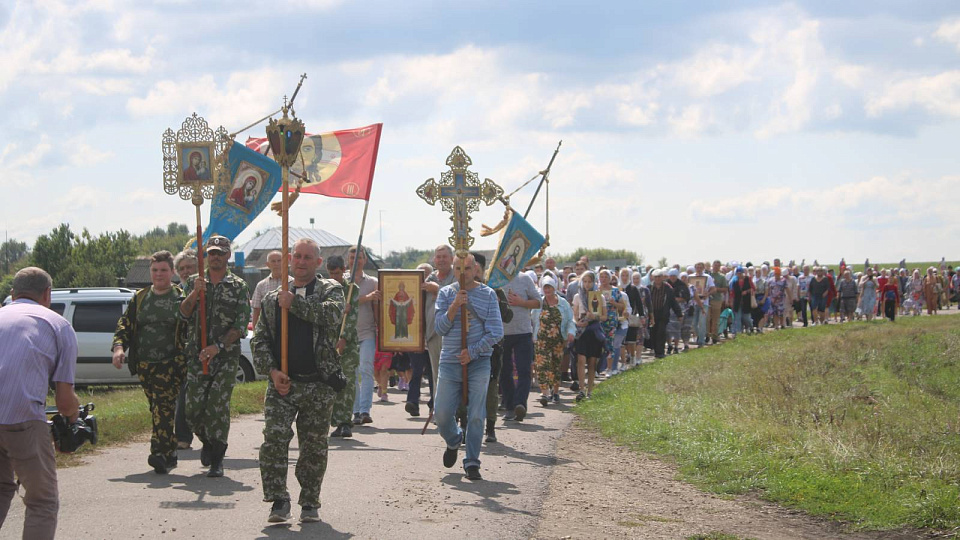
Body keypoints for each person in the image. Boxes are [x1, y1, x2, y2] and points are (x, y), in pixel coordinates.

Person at [252, 238, 345, 523]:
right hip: (284, 384)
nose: (302, 261)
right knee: (274, 441)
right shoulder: (272, 298)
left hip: (318, 384)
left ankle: (309, 502)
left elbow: (331, 315)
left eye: (308, 257)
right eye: (298, 256)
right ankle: (278, 500)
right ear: (291, 260)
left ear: (318, 262)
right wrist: (272, 372)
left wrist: (296, 304)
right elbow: (260, 341)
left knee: (313, 447)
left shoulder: (331, 289)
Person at [0, 267, 79, 540]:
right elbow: (65, 399)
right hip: (22, 418)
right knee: (41, 501)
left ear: (12, 294)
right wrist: (72, 420)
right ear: (47, 294)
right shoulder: (57, 325)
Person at [178, 235, 251, 478]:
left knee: (217, 407)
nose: (216, 256)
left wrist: (217, 347)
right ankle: (207, 441)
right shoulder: (194, 282)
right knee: (192, 410)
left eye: (220, 252)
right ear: (206, 256)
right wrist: (194, 293)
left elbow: (240, 325)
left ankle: (218, 457)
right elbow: (183, 314)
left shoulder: (238, 286)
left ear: (228, 255)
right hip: (197, 356)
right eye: (212, 253)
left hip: (225, 357)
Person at [111, 251, 185, 474]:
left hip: (171, 364)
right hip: (144, 364)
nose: (159, 274)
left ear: (172, 272)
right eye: (155, 270)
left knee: (163, 406)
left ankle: (158, 454)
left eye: (163, 270)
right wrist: (118, 348)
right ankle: (171, 451)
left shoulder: (181, 297)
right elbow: (124, 324)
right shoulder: (140, 298)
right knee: (157, 408)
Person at [434, 253, 504, 481]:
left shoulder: (488, 294)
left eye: (466, 268)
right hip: (450, 361)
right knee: (442, 413)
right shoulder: (445, 293)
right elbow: (440, 328)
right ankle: (454, 439)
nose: (462, 273)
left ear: (475, 269)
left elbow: (496, 331)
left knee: (476, 414)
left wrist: (472, 352)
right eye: (457, 269)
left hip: (479, 362)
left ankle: (472, 461)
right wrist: (455, 305)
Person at [499, 269, 541, 422]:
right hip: (501, 333)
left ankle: (520, 404)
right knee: (504, 371)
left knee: (524, 370)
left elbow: (538, 302)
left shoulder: (524, 278)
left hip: (523, 332)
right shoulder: (495, 279)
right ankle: (509, 407)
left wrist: (521, 302)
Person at [347, 246, 380, 426]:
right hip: (348, 335)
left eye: (359, 257)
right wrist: (367, 297)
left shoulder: (373, 281)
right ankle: (355, 410)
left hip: (367, 332)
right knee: (351, 374)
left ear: (364, 260)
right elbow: (346, 302)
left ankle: (365, 410)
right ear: (348, 260)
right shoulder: (342, 281)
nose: (355, 260)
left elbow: (378, 306)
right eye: (352, 257)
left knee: (366, 370)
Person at [327, 255, 359, 438]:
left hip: (348, 345)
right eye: (331, 273)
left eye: (337, 273)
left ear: (344, 270)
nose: (334, 277)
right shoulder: (325, 288)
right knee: (330, 384)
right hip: (328, 343)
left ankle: (345, 421)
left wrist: (344, 338)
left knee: (346, 383)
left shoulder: (352, 289)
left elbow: (352, 317)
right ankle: (333, 420)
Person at [533, 277, 575, 406]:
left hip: (558, 340)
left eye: (549, 287)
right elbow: (533, 320)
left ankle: (555, 392)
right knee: (541, 366)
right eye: (545, 287)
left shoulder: (563, 303)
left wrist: (571, 332)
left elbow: (570, 320)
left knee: (555, 367)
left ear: (554, 288)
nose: (547, 290)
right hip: (541, 340)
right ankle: (545, 394)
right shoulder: (539, 303)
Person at [422, 245, 456, 400]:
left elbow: (459, 297)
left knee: (453, 374)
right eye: (438, 257)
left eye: (444, 256)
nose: (441, 260)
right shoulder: (429, 279)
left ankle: (455, 412)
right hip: (433, 334)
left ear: (451, 258)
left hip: (453, 333)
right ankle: (440, 412)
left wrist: (438, 289)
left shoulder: (457, 276)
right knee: (436, 375)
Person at [173, 250, 198, 450]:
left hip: (198, 351)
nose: (186, 272)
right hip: (176, 351)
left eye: (189, 267)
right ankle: (182, 436)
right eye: (181, 268)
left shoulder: (204, 290)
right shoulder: (173, 292)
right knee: (181, 395)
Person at [405, 263, 435, 418]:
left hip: (432, 339)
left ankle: (434, 405)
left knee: (433, 373)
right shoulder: (411, 293)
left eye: (425, 275)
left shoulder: (434, 293)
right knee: (416, 371)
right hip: (416, 340)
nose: (422, 278)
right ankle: (412, 402)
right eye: (419, 275)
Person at [572, 271, 606, 400]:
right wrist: (578, 323)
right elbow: (574, 315)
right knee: (581, 360)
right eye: (584, 281)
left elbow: (604, 316)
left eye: (589, 281)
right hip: (582, 332)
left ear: (594, 282)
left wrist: (594, 316)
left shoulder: (599, 296)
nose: (587, 284)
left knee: (592, 362)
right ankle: (581, 389)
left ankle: (590, 390)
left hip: (594, 330)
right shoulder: (577, 296)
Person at [252, 250, 293, 330]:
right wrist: (255, 332)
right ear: (268, 264)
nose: (276, 264)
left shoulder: (293, 283)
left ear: (285, 262)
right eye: (273, 261)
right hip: (267, 329)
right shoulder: (261, 285)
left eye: (279, 261)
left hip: (289, 328)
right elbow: (257, 310)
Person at [649, 270, 683, 358]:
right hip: (652, 314)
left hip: (663, 313)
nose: (657, 279)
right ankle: (656, 350)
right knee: (653, 332)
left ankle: (660, 352)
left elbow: (673, 302)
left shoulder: (668, 288)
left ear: (662, 277)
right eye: (655, 277)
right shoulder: (649, 287)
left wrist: (679, 314)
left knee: (661, 332)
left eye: (659, 277)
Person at [690, 262, 716, 347]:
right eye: (697, 267)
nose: (699, 269)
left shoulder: (708, 277)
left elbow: (713, 289)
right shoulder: (691, 277)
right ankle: (699, 336)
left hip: (704, 303)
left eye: (701, 267)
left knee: (702, 322)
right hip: (693, 303)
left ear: (703, 268)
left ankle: (701, 341)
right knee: (693, 323)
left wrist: (707, 294)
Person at [707, 260, 728, 344]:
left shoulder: (722, 277)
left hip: (717, 299)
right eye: (714, 265)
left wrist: (716, 289)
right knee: (707, 319)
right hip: (708, 300)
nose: (716, 267)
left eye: (718, 266)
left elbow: (725, 289)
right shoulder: (708, 275)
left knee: (716, 319)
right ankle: (707, 335)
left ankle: (715, 336)